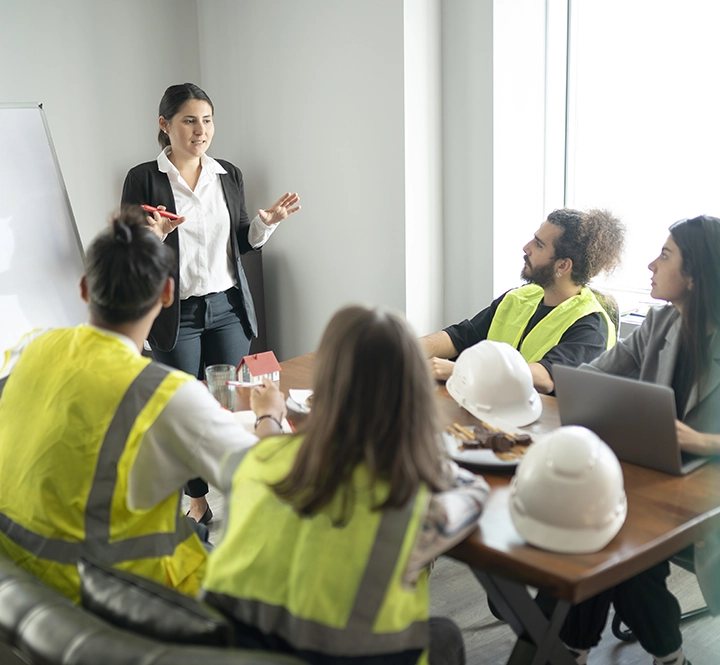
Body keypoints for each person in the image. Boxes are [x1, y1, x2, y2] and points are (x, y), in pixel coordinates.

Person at [0, 209, 287, 603]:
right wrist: (269, 413)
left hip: (22, 579)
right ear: (167, 295)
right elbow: (271, 482)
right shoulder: (165, 394)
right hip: (120, 600)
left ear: (85, 288)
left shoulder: (27, 348)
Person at [200, 306, 491, 665]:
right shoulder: (414, 504)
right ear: (413, 396)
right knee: (444, 635)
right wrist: (423, 451)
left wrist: (268, 417)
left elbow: (271, 447)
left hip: (232, 654)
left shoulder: (253, 463)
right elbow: (476, 494)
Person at [121, 82, 300, 523]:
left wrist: (266, 223)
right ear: (165, 125)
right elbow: (128, 249)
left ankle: (245, 494)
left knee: (233, 406)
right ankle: (196, 498)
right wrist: (154, 236)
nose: (201, 130)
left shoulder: (228, 175)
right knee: (184, 413)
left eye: (207, 120)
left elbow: (241, 242)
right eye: (189, 120)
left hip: (227, 309)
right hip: (175, 315)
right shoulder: (144, 178)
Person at [558, 215, 720, 665]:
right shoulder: (660, 324)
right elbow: (591, 377)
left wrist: (705, 442)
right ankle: (662, 657)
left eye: (665, 255)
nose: (651, 265)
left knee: (620, 548)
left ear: (695, 274)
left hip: (708, 495)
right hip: (657, 483)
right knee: (611, 539)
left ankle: (570, 647)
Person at [421, 208, 625, 393]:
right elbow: (461, 337)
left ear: (562, 266)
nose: (526, 248)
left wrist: (463, 370)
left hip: (544, 425)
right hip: (494, 409)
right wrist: (409, 348)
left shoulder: (591, 325)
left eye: (539, 245)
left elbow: (545, 377)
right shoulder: (519, 297)